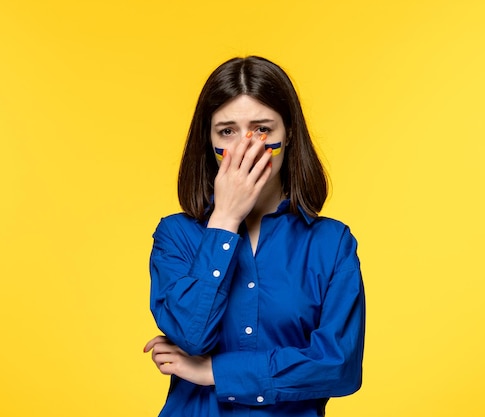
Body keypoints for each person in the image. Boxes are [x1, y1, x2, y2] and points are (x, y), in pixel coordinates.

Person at [144, 56, 365, 417]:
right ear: (209, 139)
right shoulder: (176, 236)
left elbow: (338, 367)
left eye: (262, 128)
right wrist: (226, 218)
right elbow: (192, 336)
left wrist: (213, 371)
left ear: (289, 133)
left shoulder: (332, 244)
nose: (246, 145)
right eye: (226, 131)